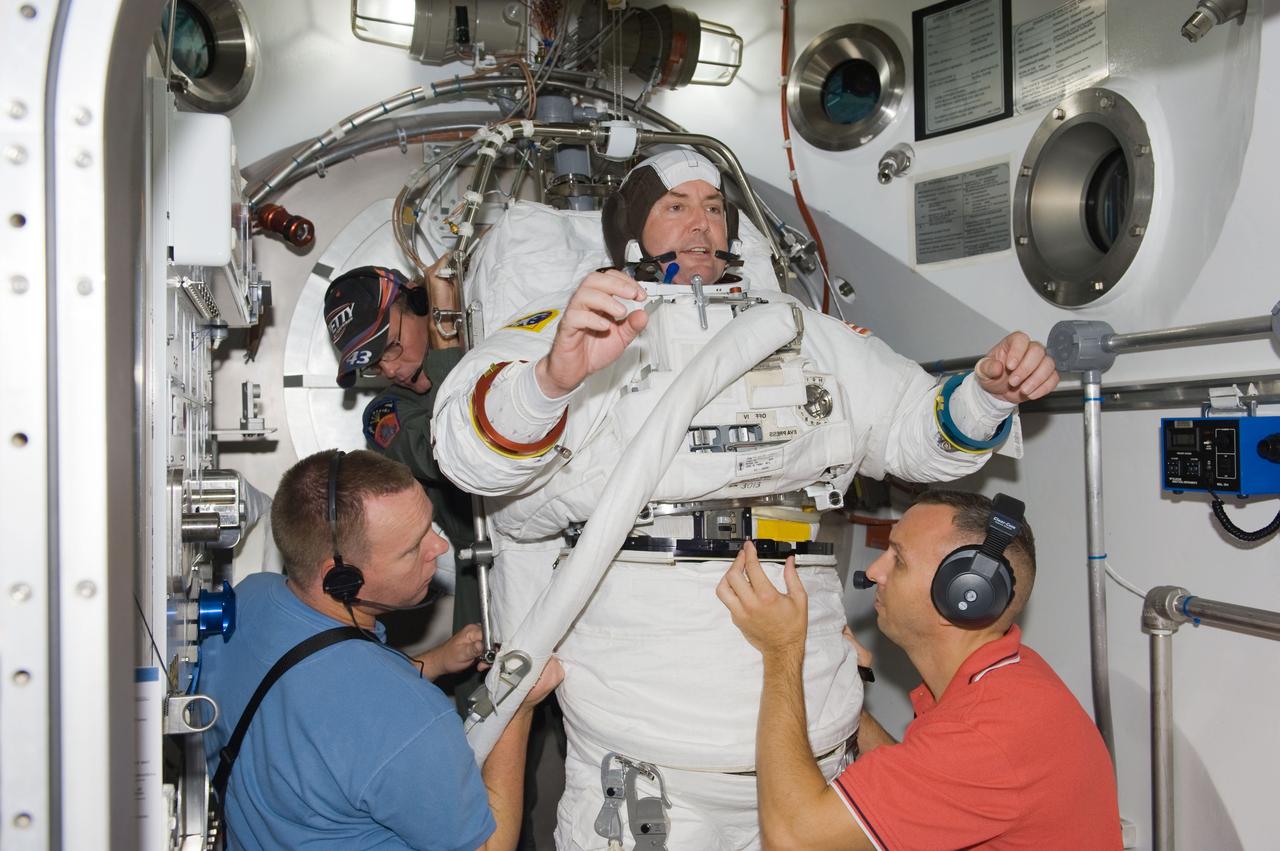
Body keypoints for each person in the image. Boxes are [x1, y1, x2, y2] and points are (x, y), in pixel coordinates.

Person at [431, 148, 1059, 849]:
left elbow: (911, 430)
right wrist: (552, 377)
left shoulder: (801, 331)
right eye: (676, 206)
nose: (701, 223)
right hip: (645, 750)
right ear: (631, 230)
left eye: (714, 207)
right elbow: (469, 453)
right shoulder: (572, 326)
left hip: (812, 735)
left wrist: (983, 397)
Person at [717, 490, 1122, 850]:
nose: (875, 571)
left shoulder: (986, 733)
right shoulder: (1007, 680)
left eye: (899, 560)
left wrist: (782, 649)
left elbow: (794, 840)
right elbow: (926, 784)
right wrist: (845, 687)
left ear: (966, 596)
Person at [200, 449, 562, 850]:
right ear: (341, 581)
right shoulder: (408, 718)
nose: (439, 548)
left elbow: (327, 699)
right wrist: (518, 710)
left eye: (430, 525)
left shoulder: (248, 601)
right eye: (412, 548)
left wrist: (437, 660)